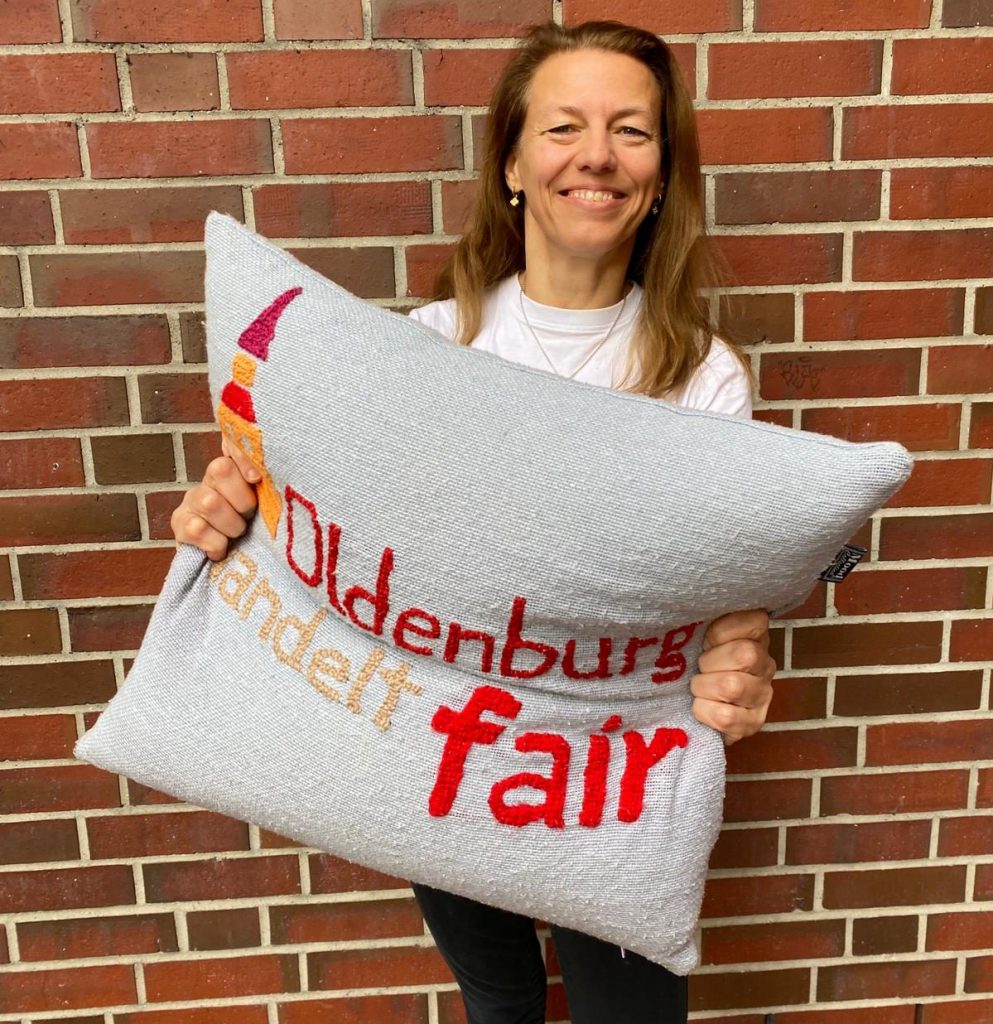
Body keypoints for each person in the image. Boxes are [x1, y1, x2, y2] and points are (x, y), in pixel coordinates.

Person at [172, 20, 776, 1024]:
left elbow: (723, 603)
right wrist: (233, 525)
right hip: (448, 756)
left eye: (632, 130)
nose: (596, 155)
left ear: (663, 173)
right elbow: (337, 542)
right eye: (563, 127)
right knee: (500, 1001)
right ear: (511, 160)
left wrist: (739, 653)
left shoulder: (705, 376)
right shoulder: (429, 347)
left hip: (611, 778)